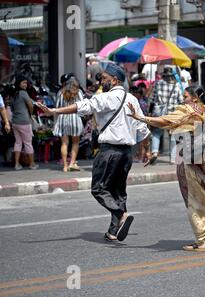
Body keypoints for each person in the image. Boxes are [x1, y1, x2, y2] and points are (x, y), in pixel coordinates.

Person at [37, 64, 151, 242]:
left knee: (99, 189)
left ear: (114, 80)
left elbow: (84, 106)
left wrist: (55, 111)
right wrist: (147, 152)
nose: (101, 81)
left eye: (104, 78)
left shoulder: (107, 97)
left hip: (109, 152)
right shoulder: (132, 99)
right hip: (126, 153)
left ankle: (121, 214)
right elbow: (143, 128)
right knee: (118, 192)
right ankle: (114, 231)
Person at [127, 86, 205, 252]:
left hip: (190, 160)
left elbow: (164, 121)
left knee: (192, 200)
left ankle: (201, 240)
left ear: (195, 98)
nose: (183, 99)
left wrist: (140, 117)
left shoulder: (188, 110)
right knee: (200, 197)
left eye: (185, 96)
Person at [148, 67, 184, 164]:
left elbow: (153, 99)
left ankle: (155, 152)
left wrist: (150, 112)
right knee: (173, 135)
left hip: (159, 113)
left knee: (156, 133)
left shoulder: (158, 84)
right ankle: (172, 159)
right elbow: (181, 101)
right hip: (173, 114)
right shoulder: (177, 86)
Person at [53, 77, 84, 172]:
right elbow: (82, 106)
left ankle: (65, 166)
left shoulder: (61, 92)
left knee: (64, 143)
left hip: (62, 118)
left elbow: (57, 107)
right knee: (75, 143)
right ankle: (72, 163)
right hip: (75, 118)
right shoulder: (78, 92)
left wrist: (55, 122)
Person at [10, 76, 38, 170]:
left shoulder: (14, 94)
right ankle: (32, 164)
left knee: (18, 143)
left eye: (26, 83)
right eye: (23, 83)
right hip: (24, 121)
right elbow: (30, 104)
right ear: (19, 83)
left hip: (15, 121)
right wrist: (30, 113)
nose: (25, 85)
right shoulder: (23, 93)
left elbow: (12, 108)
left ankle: (17, 164)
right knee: (28, 143)